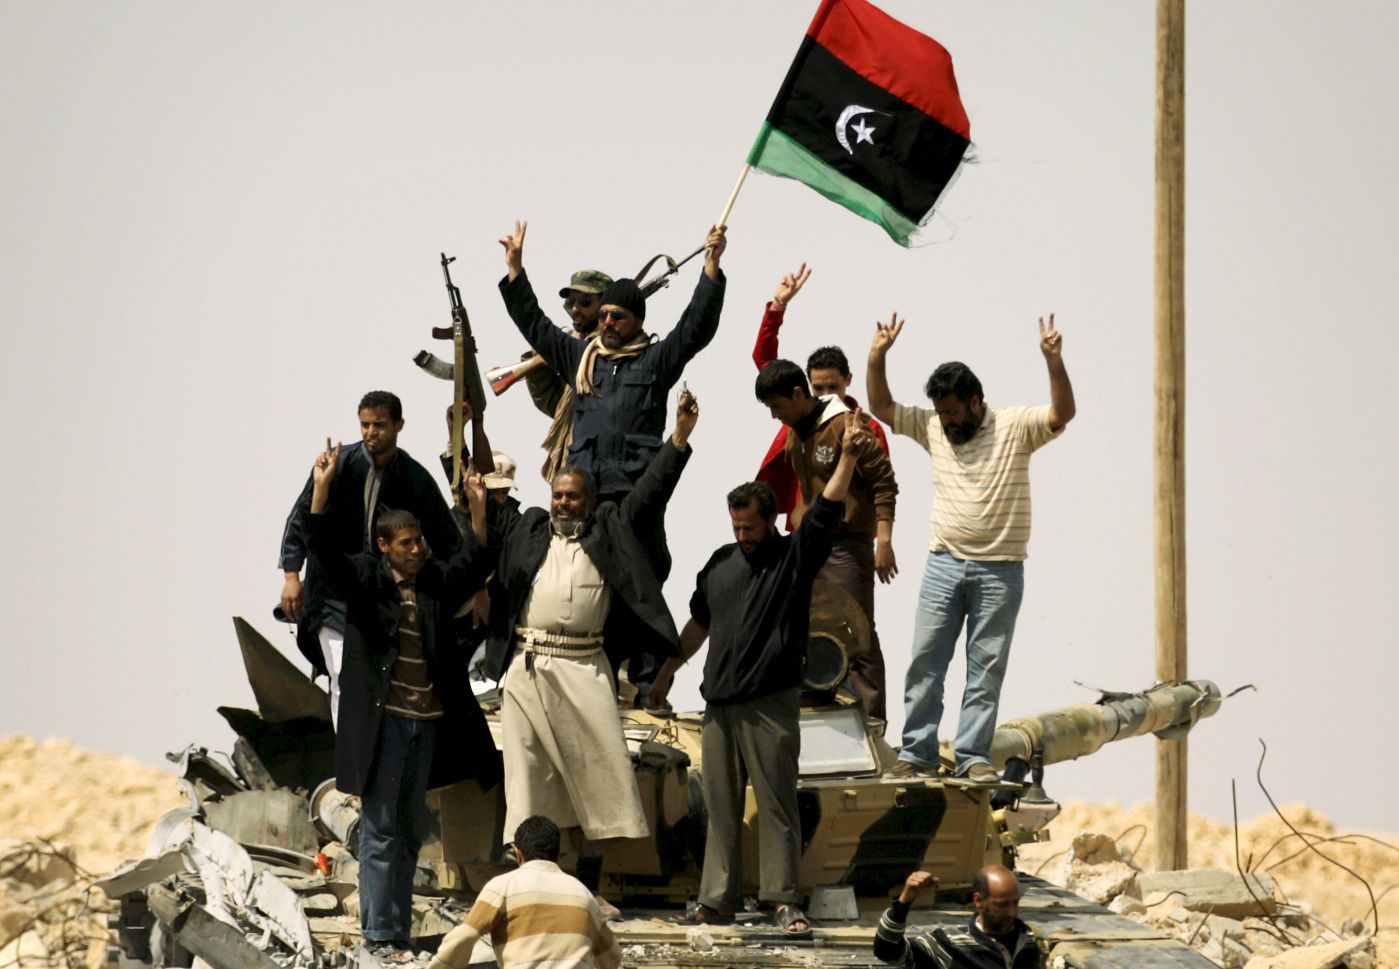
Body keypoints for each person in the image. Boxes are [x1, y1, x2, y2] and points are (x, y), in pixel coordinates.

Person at [649, 413, 869, 936]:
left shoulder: (791, 560)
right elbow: (699, 622)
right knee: (721, 811)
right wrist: (665, 675)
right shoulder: (720, 563)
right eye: (736, 527)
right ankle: (717, 900)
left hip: (770, 704)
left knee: (776, 806)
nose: (743, 535)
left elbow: (823, 514)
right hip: (719, 707)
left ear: (769, 520)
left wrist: (849, 458)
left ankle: (782, 900)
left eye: (750, 527)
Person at [484, 390, 700, 904]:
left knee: (599, 778)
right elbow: (484, 499)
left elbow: (648, 493)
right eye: (558, 495)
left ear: (591, 500)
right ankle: (532, 885)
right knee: (529, 781)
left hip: (586, 668)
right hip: (529, 670)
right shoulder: (531, 529)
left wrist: (678, 439)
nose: (563, 503)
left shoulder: (610, 530)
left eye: (573, 496)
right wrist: (463, 435)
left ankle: (587, 885)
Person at [302, 439, 501, 957]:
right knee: (380, 831)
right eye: (407, 543)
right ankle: (381, 933)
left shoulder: (432, 582)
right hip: (384, 724)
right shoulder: (366, 580)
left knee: (411, 831)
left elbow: (472, 565)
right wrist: (321, 490)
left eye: (419, 541)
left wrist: (478, 512)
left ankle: (398, 932)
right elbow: (322, 553)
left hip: (426, 723)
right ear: (385, 545)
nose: (418, 549)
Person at [867, 313, 1076, 783]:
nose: (946, 422)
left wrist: (1054, 363)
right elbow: (882, 405)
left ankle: (973, 757)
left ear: (976, 401)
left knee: (985, 670)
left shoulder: (1015, 426)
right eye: (940, 413)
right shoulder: (933, 428)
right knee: (925, 663)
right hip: (944, 565)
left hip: (1000, 571)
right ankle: (916, 753)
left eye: (953, 412)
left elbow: (1062, 414)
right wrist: (878, 355)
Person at [279, 391, 461, 726]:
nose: (370, 432)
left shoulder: (414, 477)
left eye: (379, 425)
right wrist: (292, 575)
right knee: (344, 679)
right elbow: (302, 518)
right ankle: (347, 770)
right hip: (332, 595)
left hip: (383, 600)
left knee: (380, 683)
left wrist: (473, 589)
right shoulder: (338, 466)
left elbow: (446, 537)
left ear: (398, 426)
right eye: (365, 425)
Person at [754, 358, 898, 721]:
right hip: (809, 545)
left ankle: (870, 724)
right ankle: (825, 720)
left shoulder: (845, 426)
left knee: (857, 632)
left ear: (799, 393)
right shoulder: (796, 429)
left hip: (847, 545)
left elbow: (884, 481)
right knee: (811, 629)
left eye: (777, 405)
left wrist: (884, 540)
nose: (774, 415)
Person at [750, 262, 891, 531]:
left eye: (833, 387)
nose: (826, 395)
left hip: (845, 537)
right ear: (802, 390)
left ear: (848, 380)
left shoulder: (866, 427)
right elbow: (766, 363)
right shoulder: (797, 412)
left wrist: (882, 537)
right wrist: (778, 306)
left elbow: (881, 485)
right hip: (800, 529)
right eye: (818, 389)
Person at [429, 815, 621, 969]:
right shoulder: (583, 894)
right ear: (558, 853)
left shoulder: (503, 886)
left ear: (518, 853)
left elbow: (464, 936)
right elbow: (611, 957)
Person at [874, 866, 1037, 968]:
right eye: (1002, 905)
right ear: (979, 901)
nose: (1012, 912)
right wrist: (904, 901)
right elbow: (888, 952)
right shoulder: (948, 946)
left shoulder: (1029, 941)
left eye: (1015, 903)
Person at [521, 268, 615, 420]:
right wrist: (540, 369)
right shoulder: (569, 345)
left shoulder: (618, 350)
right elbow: (553, 405)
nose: (575, 309)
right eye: (570, 302)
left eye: (585, 302)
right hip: (573, 440)